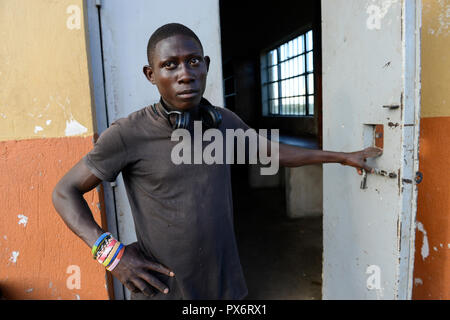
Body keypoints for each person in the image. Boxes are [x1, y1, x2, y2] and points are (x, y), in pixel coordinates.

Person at [52, 23, 381, 300]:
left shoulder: (222, 122)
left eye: (194, 61)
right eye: (171, 65)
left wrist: (342, 157)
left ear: (206, 65)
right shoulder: (127, 134)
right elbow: (64, 192)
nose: (186, 74)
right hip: (165, 288)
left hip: (225, 283)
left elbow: (272, 152)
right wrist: (112, 255)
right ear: (150, 74)